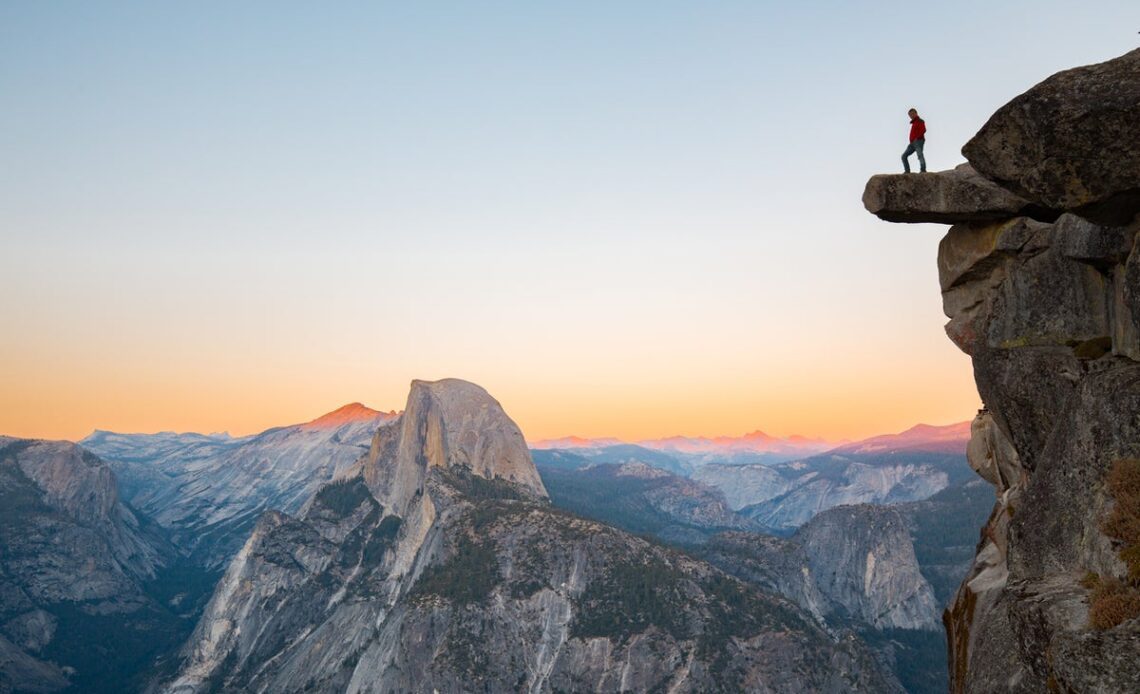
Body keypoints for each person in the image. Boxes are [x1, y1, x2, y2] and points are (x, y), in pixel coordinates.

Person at [902, 108, 926, 173]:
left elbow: (923, 130)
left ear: (916, 113)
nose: (911, 116)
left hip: (919, 141)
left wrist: (917, 138)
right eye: (910, 115)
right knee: (904, 156)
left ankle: (923, 169)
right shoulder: (913, 123)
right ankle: (907, 171)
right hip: (912, 143)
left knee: (920, 155)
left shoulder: (920, 121)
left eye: (912, 114)